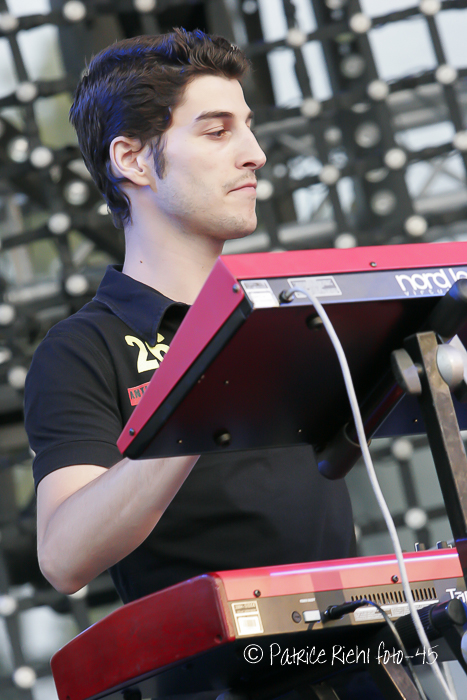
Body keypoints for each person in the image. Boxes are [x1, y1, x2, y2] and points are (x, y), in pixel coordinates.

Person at [24, 29, 355, 604]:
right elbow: (63, 557)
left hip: (362, 644)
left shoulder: (285, 309)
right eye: (217, 131)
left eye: (247, 126)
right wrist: (200, 392)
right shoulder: (83, 349)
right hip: (212, 656)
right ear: (132, 160)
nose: (255, 153)